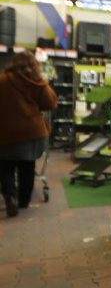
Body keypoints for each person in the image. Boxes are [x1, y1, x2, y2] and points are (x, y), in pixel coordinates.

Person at [0, 49, 57, 216]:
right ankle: (24, 200)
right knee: (28, 165)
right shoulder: (37, 82)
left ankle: (10, 195)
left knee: (5, 166)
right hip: (32, 132)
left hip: (6, 132)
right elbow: (50, 103)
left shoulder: (2, 80)